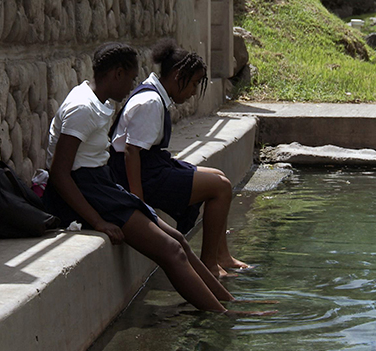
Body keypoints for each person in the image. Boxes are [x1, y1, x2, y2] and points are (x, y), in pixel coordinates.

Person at [43, 42, 269, 315]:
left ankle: (228, 301)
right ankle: (224, 315)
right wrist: (98, 221)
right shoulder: (82, 108)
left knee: (178, 239)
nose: (132, 84)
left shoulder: (96, 101)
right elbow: (59, 173)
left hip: (101, 185)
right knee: (171, 251)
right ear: (117, 73)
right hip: (89, 192)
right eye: (130, 77)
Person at [109, 39, 248, 278]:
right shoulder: (150, 101)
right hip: (141, 174)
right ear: (176, 76)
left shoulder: (155, 95)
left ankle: (221, 255)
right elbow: (131, 153)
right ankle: (210, 265)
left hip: (151, 166)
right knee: (221, 188)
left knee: (218, 176)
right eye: (193, 84)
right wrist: (138, 202)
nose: (194, 91)